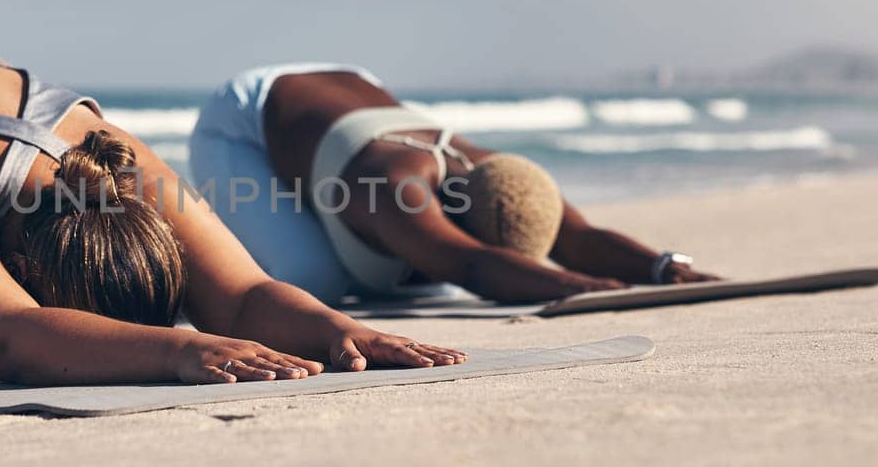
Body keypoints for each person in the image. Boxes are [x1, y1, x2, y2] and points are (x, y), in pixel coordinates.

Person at [0, 24, 463, 383]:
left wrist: (341, 332)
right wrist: (176, 349)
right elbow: (9, 335)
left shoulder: (119, 165)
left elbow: (243, 291)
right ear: (18, 263)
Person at [189, 63, 720, 306]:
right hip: (244, 122)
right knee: (315, 281)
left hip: (352, 85)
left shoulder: (503, 173)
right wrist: (578, 286)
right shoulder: (397, 188)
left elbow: (577, 238)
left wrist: (658, 266)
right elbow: (471, 263)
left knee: (420, 278)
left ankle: (350, 230)